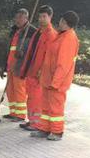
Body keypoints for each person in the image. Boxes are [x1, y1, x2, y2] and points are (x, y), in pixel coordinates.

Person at [30, 10, 80, 141]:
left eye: (62, 21)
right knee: (46, 107)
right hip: (49, 80)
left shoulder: (68, 38)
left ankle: (57, 132)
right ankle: (44, 129)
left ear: (66, 23)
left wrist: (56, 83)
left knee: (55, 108)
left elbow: (63, 65)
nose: (59, 22)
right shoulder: (62, 36)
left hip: (56, 83)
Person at [19, 5, 57, 130]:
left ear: (50, 17)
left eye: (44, 17)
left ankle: (36, 124)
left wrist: (42, 71)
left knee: (37, 98)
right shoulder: (38, 32)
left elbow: (50, 57)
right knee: (31, 97)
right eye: (40, 17)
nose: (41, 19)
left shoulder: (51, 35)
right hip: (31, 71)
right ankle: (31, 121)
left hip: (40, 74)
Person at [0, 8, 36, 121]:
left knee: (19, 90)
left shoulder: (32, 32)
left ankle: (20, 115)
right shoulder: (14, 30)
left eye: (20, 18)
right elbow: (8, 50)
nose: (17, 20)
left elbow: (34, 51)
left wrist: (23, 53)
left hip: (20, 67)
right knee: (10, 90)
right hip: (10, 66)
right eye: (16, 17)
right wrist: (3, 66)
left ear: (26, 18)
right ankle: (13, 112)